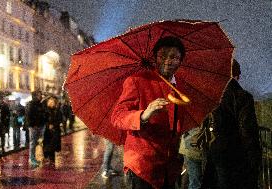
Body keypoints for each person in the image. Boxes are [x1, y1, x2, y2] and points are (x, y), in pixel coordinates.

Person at [111, 36, 186, 189]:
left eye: (174, 57)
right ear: (155, 57)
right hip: (142, 167)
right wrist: (144, 114)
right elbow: (117, 116)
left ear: (180, 61)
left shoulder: (179, 89)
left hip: (168, 169)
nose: (167, 61)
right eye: (162, 55)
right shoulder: (137, 81)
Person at [201, 59, 262, 189]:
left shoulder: (213, 96)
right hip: (236, 155)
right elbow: (247, 130)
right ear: (237, 76)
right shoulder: (243, 96)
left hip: (215, 151)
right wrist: (254, 158)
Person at [25, 90, 45, 167]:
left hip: (41, 125)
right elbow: (28, 116)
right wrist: (33, 125)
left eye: (41, 94)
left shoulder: (40, 104)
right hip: (34, 127)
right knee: (33, 143)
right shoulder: (31, 104)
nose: (41, 96)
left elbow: (43, 114)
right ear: (35, 96)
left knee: (40, 142)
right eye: (39, 95)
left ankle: (40, 156)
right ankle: (32, 158)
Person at [43, 96, 63, 166]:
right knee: (47, 145)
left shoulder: (57, 111)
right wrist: (48, 125)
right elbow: (43, 120)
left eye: (53, 102)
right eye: (50, 102)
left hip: (55, 131)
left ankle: (52, 160)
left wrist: (54, 125)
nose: (51, 103)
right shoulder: (45, 110)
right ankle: (47, 158)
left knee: (53, 146)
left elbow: (60, 119)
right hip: (47, 131)